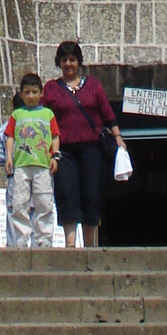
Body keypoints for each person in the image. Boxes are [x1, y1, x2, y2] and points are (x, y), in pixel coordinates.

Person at [43, 40, 123, 248]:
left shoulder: (93, 85)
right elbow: (43, 118)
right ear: (59, 63)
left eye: (72, 59)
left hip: (91, 148)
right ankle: (70, 244)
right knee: (67, 192)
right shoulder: (51, 88)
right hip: (64, 149)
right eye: (64, 60)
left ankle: (90, 244)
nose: (68, 64)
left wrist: (118, 137)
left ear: (79, 62)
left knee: (91, 193)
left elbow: (107, 112)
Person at [3, 71, 59, 247]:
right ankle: (21, 238)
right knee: (20, 202)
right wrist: (9, 158)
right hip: (22, 165)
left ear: (41, 93)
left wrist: (55, 156)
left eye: (34, 92)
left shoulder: (48, 114)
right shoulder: (16, 115)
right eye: (27, 92)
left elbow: (55, 136)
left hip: (42, 165)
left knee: (44, 201)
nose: (31, 96)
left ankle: (44, 239)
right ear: (21, 94)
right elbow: (10, 137)